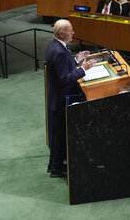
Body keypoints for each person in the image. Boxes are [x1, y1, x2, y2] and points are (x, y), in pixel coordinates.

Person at [45, 20, 96, 177]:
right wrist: (83, 69)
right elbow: (64, 79)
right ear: (62, 34)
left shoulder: (55, 45)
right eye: (70, 30)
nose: (73, 33)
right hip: (61, 99)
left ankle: (53, 165)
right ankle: (56, 169)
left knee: (58, 134)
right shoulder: (59, 51)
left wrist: (76, 60)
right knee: (59, 135)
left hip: (56, 97)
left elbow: (63, 67)